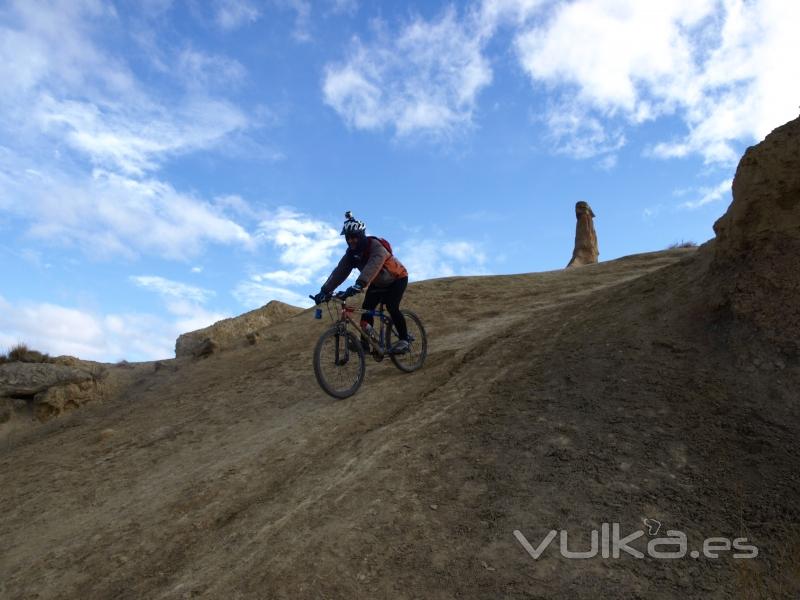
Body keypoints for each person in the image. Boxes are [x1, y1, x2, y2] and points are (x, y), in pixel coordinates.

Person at [312, 211, 411, 353]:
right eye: (348, 238)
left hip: (397, 279)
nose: (351, 240)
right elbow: (339, 272)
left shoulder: (376, 246)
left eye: (354, 237)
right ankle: (365, 345)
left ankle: (404, 340)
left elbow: (373, 265)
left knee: (392, 306)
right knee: (367, 311)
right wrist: (324, 291)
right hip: (377, 284)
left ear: (361, 235)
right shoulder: (351, 254)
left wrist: (360, 283)